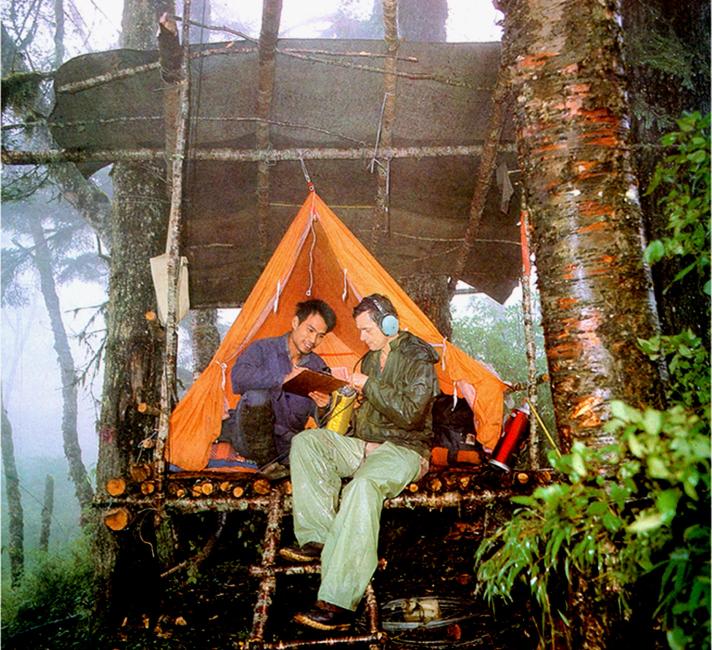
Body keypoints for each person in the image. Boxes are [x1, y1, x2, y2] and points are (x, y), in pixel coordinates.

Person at [281, 294, 440, 631]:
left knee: (362, 487)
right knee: (308, 442)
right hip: (366, 444)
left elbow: (412, 415)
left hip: (405, 449)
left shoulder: (419, 358)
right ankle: (318, 538)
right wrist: (336, 402)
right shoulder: (368, 361)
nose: (363, 338)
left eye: (367, 330)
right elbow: (366, 413)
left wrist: (371, 386)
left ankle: (338, 602)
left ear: (389, 324)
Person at [226, 299, 337, 471]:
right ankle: (268, 466)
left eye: (320, 336)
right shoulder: (262, 349)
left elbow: (325, 422)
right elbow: (238, 378)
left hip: (286, 446)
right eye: (310, 330)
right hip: (250, 441)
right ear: (295, 323)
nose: (313, 340)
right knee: (257, 395)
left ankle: (278, 466)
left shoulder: (318, 368)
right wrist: (282, 378)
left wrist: (324, 407)